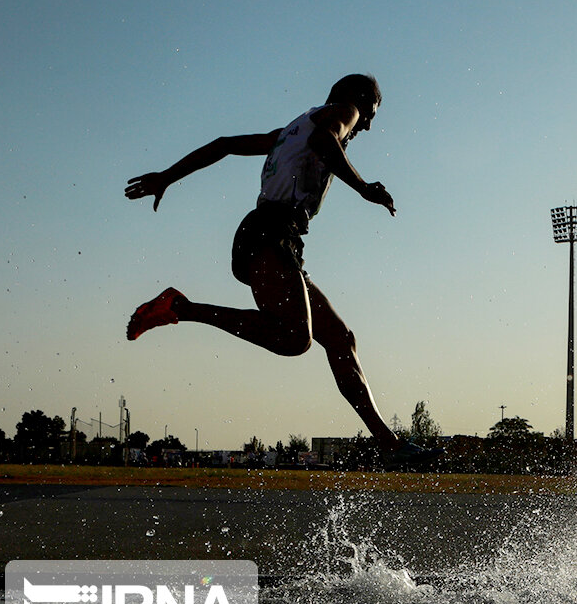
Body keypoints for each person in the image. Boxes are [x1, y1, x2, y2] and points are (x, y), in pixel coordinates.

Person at [124, 74, 426, 464]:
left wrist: (167, 176)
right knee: (295, 338)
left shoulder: (290, 130)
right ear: (360, 100)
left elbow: (224, 146)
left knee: (339, 338)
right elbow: (324, 141)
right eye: (371, 113)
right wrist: (365, 187)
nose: (366, 124)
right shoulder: (342, 113)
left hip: (278, 237)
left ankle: (391, 446)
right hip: (270, 232)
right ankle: (180, 308)